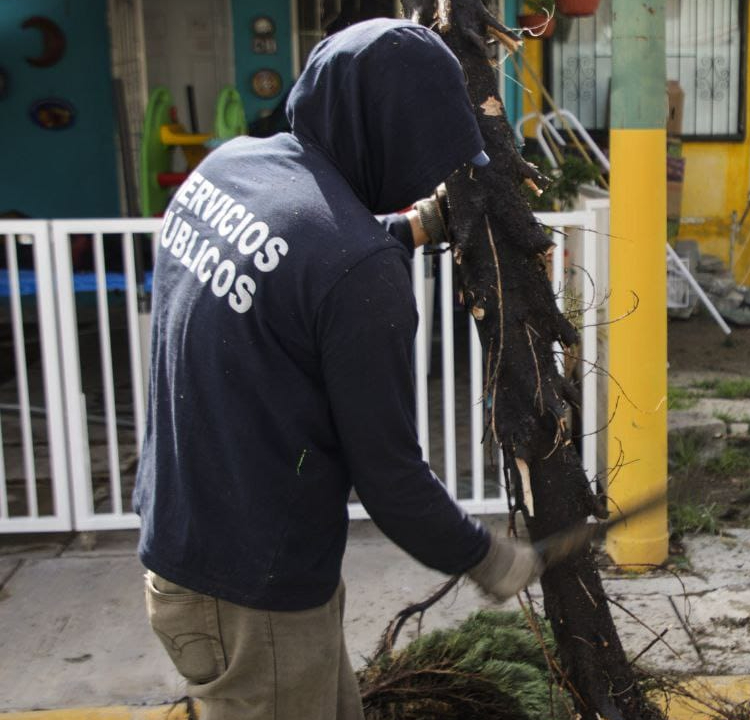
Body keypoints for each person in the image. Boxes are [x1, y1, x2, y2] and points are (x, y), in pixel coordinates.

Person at [133, 19, 541, 720]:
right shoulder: (360, 275)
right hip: (255, 597)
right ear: (385, 133)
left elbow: (294, 258)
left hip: (179, 552)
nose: (429, 169)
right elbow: (391, 482)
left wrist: (412, 227)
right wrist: (489, 559)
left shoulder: (226, 169)